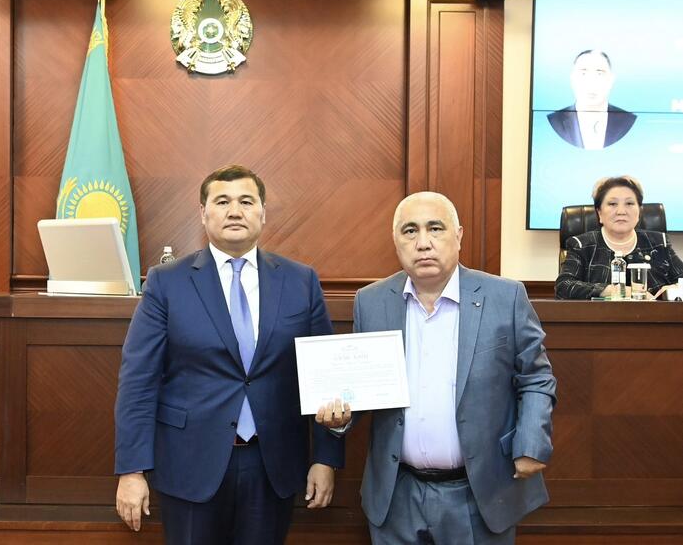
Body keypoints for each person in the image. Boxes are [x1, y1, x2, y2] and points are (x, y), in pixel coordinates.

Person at [114, 164, 344, 544]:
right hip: (190, 463)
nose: (234, 211)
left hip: (273, 465)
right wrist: (132, 470)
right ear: (203, 213)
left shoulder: (300, 281)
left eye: (246, 202)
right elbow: (139, 380)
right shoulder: (166, 282)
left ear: (263, 213)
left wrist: (326, 457)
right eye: (222, 202)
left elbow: (326, 377)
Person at [318, 191, 556, 545]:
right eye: (410, 231)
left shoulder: (505, 296)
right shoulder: (371, 301)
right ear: (396, 241)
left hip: (480, 492)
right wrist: (341, 419)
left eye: (435, 228)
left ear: (458, 236)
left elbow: (536, 377)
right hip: (397, 494)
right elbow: (365, 387)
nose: (423, 243)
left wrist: (531, 443)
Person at [556, 175, 683, 300]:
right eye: (612, 204)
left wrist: (674, 288)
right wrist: (614, 291)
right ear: (599, 212)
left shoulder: (659, 243)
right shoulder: (581, 245)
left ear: (639, 211)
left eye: (629, 203)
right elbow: (563, 286)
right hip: (600, 314)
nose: (621, 211)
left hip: (654, 314)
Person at [547, 50, 636, 149]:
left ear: (611, 80)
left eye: (599, 74)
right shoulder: (554, 121)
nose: (591, 82)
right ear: (572, 79)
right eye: (583, 73)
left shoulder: (629, 120)